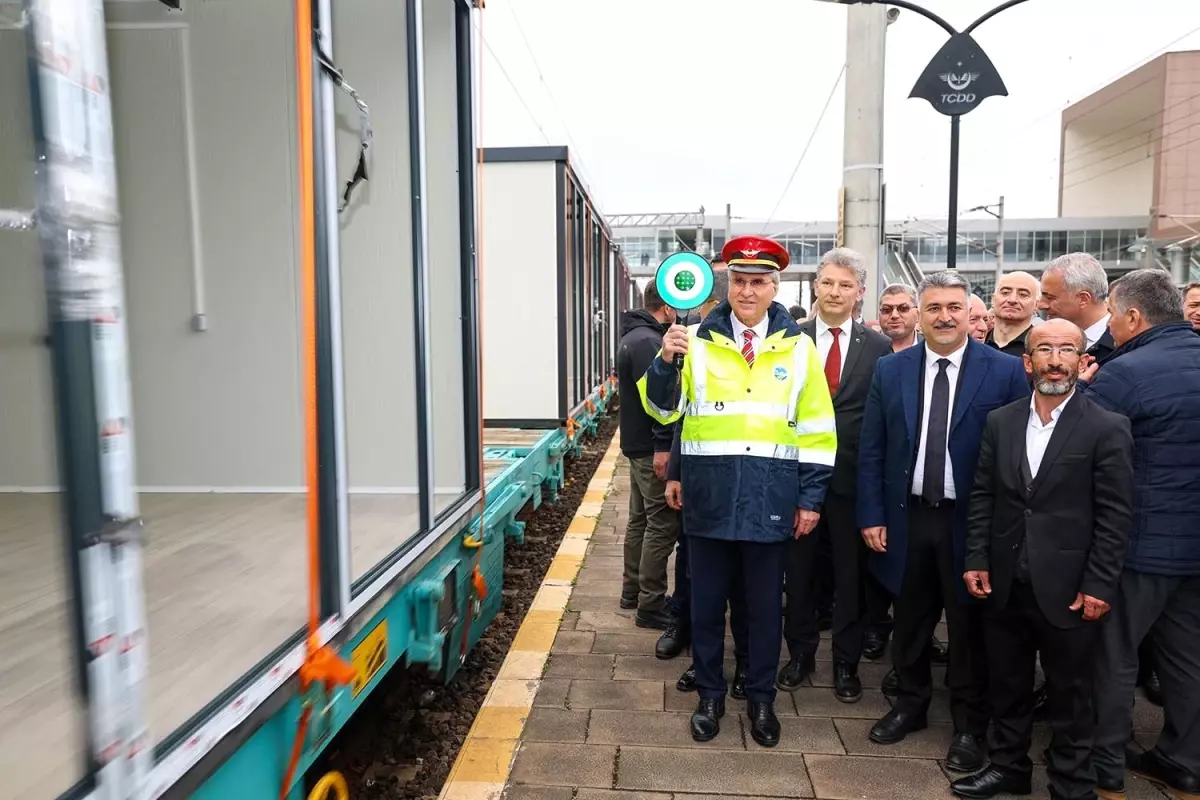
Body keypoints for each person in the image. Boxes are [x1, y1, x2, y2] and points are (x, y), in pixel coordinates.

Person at [639, 234, 836, 748]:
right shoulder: (695, 342)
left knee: (765, 608)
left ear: (775, 287)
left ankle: (761, 698)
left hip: (771, 500)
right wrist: (663, 363)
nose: (748, 292)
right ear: (728, 284)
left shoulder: (799, 349)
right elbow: (665, 413)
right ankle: (710, 695)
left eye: (759, 282)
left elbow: (817, 430)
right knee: (705, 605)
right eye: (740, 281)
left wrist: (811, 499)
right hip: (710, 497)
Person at [953, 319, 1134, 800]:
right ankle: (1008, 768)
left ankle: (1072, 784)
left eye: (1067, 350)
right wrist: (977, 558)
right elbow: (983, 496)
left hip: (1071, 588)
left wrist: (1099, 584)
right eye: (1046, 350)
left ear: (1081, 360)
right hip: (1006, 581)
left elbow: (1116, 516)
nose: (1056, 359)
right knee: (1006, 685)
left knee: (1071, 695)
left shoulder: (1107, 427)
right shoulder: (1002, 420)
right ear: (1027, 362)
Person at [857, 270, 1029, 771]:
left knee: (968, 629)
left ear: (971, 311)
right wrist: (871, 513)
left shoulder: (1003, 371)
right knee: (909, 623)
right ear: (919, 315)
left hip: (970, 524)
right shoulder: (892, 371)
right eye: (933, 308)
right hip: (906, 519)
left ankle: (969, 726)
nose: (945, 316)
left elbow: (1017, 457)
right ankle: (909, 705)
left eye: (955, 306)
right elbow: (872, 448)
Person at [1077, 269, 1200, 800]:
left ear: (1132, 316)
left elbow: (1087, 456)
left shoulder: (1124, 373)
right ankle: (1185, 760)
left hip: (1139, 545)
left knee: (1113, 654)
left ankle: (1105, 765)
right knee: (1187, 656)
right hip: (1193, 549)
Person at [783, 248, 892, 702]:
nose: (835, 291)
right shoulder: (790, 339)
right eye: (828, 282)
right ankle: (801, 655)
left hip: (853, 483)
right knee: (799, 574)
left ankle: (845, 664)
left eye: (845, 285)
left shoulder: (881, 348)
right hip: (797, 479)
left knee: (851, 578)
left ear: (860, 293)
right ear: (815, 287)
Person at [615, 282, 680, 629]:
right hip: (649, 448)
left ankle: (632, 591)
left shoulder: (633, 336)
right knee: (662, 524)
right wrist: (662, 446)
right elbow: (658, 402)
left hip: (636, 444)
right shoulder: (650, 343)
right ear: (668, 307)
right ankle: (651, 604)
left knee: (639, 520)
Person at [1038, 252, 1115, 361]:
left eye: (1050, 297)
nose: (1041, 305)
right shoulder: (1043, 338)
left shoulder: (1123, 343)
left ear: (1083, 299)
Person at [986, 272, 1041, 357]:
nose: (1012, 300)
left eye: (1023, 294)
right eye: (1005, 292)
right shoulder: (975, 344)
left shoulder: (1040, 348)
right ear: (993, 300)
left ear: (1036, 304)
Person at [878, 283, 921, 353]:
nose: (894, 315)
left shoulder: (932, 348)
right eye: (887, 310)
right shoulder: (864, 348)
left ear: (918, 314)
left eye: (903, 309)